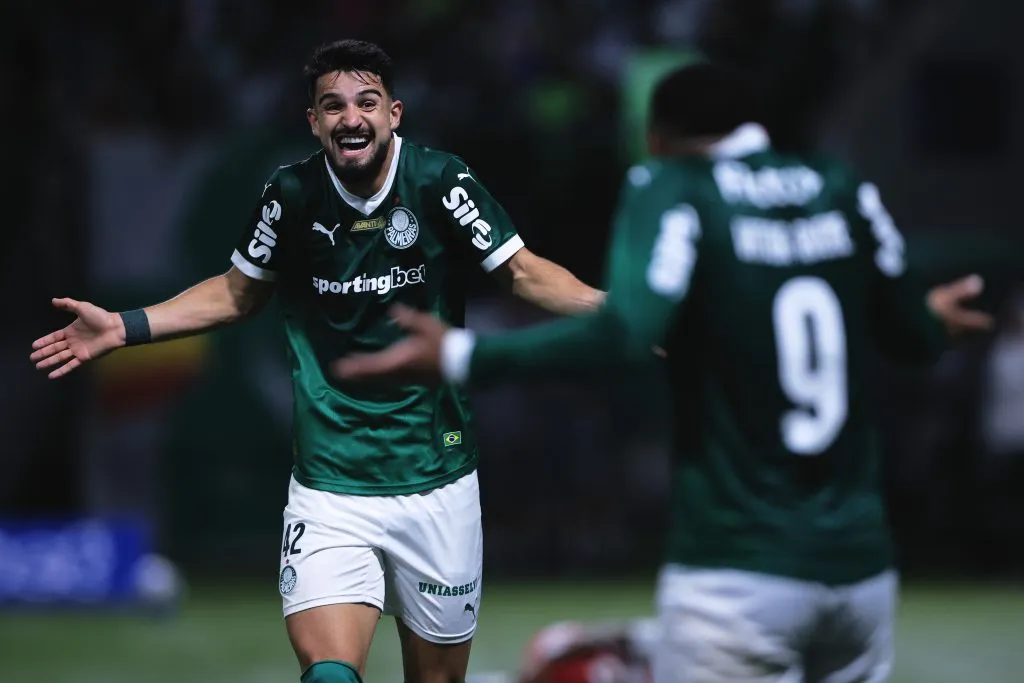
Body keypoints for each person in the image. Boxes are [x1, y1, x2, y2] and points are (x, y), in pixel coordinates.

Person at [333, 63, 994, 682]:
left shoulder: (676, 187)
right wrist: (932, 319)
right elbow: (911, 333)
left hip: (737, 571)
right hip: (861, 574)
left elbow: (627, 332)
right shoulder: (841, 187)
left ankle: (601, 664)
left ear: (657, 136)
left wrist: (461, 354)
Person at [29, 39, 604, 683]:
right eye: (332, 106)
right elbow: (236, 292)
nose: (350, 118)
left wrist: (622, 314)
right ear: (313, 121)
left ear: (394, 113)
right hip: (331, 489)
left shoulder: (440, 182)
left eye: (366, 102)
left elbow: (524, 273)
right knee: (329, 675)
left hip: (438, 481)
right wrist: (125, 326)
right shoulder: (291, 194)